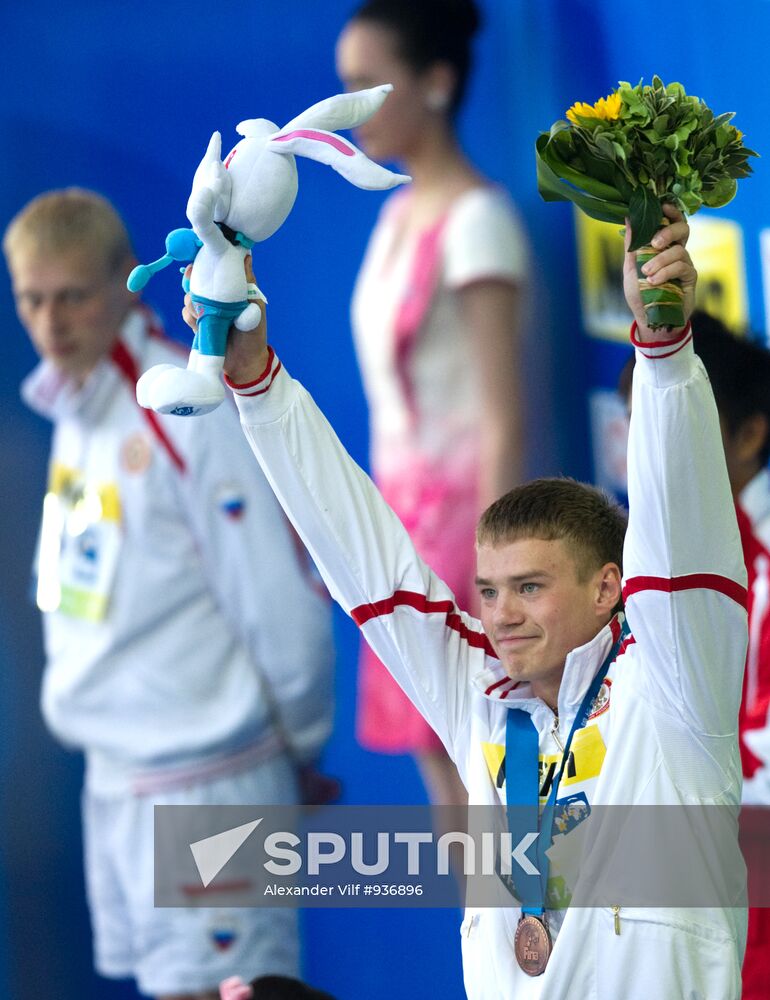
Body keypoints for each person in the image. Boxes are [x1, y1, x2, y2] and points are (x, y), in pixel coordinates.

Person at [185, 204, 748, 997]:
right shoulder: (476, 696)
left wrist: (664, 350)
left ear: (607, 589)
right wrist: (256, 384)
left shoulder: (677, 695)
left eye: (529, 588)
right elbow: (363, 555)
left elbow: (683, 540)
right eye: (488, 590)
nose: (501, 614)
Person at [3, 188, 335, 1000]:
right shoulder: (79, 405)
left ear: (128, 278)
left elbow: (271, 580)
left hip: (208, 772)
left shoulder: (177, 398)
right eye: (30, 299)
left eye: (73, 295)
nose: (50, 322)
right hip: (115, 773)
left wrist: (304, 737)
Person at [335, 0, 530, 815]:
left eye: (368, 86)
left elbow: (505, 416)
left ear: (437, 83)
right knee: (446, 793)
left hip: (462, 543)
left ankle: (525, 944)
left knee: (487, 783)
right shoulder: (392, 216)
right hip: (397, 536)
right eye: (343, 87)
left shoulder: (477, 224)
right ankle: (483, 942)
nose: (350, 111)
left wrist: (501, 579)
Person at [619, 310, 770, 1000]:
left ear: (747, 434)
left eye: (675, 419)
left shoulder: (758, 567)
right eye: (640, 422)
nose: (652, 452)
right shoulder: (617, 564)